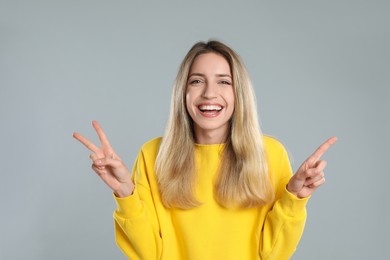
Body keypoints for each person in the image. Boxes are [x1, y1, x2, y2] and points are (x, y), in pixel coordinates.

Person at [73, 40, 337, 260]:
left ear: (239, 93)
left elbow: (273, 254)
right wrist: (125, 192)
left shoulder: (270, 153)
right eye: (197, 81)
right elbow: (149, 254)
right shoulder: (153, 154)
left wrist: (293, 198)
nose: (210, 93)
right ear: (183, 92)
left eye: (224, 82)